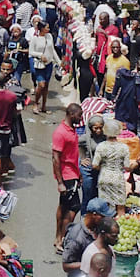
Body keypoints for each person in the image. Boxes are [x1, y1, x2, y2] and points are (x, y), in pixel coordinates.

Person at [52, 103, 85, 251]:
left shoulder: (71, 130)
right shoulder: (61, 133)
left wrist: (79, 174)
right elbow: (55, 158)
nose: (81, 118)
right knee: (74, 206)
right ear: (72, 115)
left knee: (64, 206)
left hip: (72, 173)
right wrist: (60, 182)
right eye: (79, 115)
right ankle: (62, 238)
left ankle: (58, 237)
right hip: (66, 175)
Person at [63, 199, 114, 277]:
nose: (106, 220)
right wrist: (88, 263)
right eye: (103, 216)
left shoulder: (98, 228)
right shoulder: (76, 236)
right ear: (94, 215)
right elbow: (66, 266)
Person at [91, 119, 133, 205]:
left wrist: (103, 168)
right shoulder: (124, 147)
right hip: (118, 178)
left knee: (104, 208)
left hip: (104, 177)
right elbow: (127, 167)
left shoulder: (101, 146)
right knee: (120, 206)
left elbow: (94, 165)